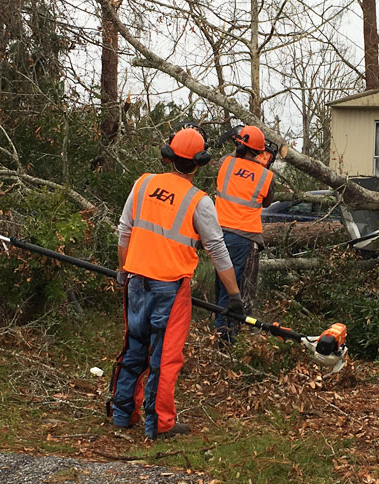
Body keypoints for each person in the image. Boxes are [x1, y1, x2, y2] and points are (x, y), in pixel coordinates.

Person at [110, 124, 244, 440]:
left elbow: (124, 232)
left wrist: (122, 271)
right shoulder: (200, 201)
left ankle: (122, 413)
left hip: (136, 282)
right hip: (169, 289)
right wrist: (234, 294)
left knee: (133, 348)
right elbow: (218, 252)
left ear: (169, 156)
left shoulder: (143, 184)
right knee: (163, 357)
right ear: (199, 163)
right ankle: (158, 424)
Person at [213, 125, 275, 348]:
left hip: (218, 232)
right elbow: (267, 201)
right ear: (259, 151)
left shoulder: (225, 163)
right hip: (243, 236)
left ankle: (221, 330)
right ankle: (225, 337)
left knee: (222, 283)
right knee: (236, 288)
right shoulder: (267, 176)